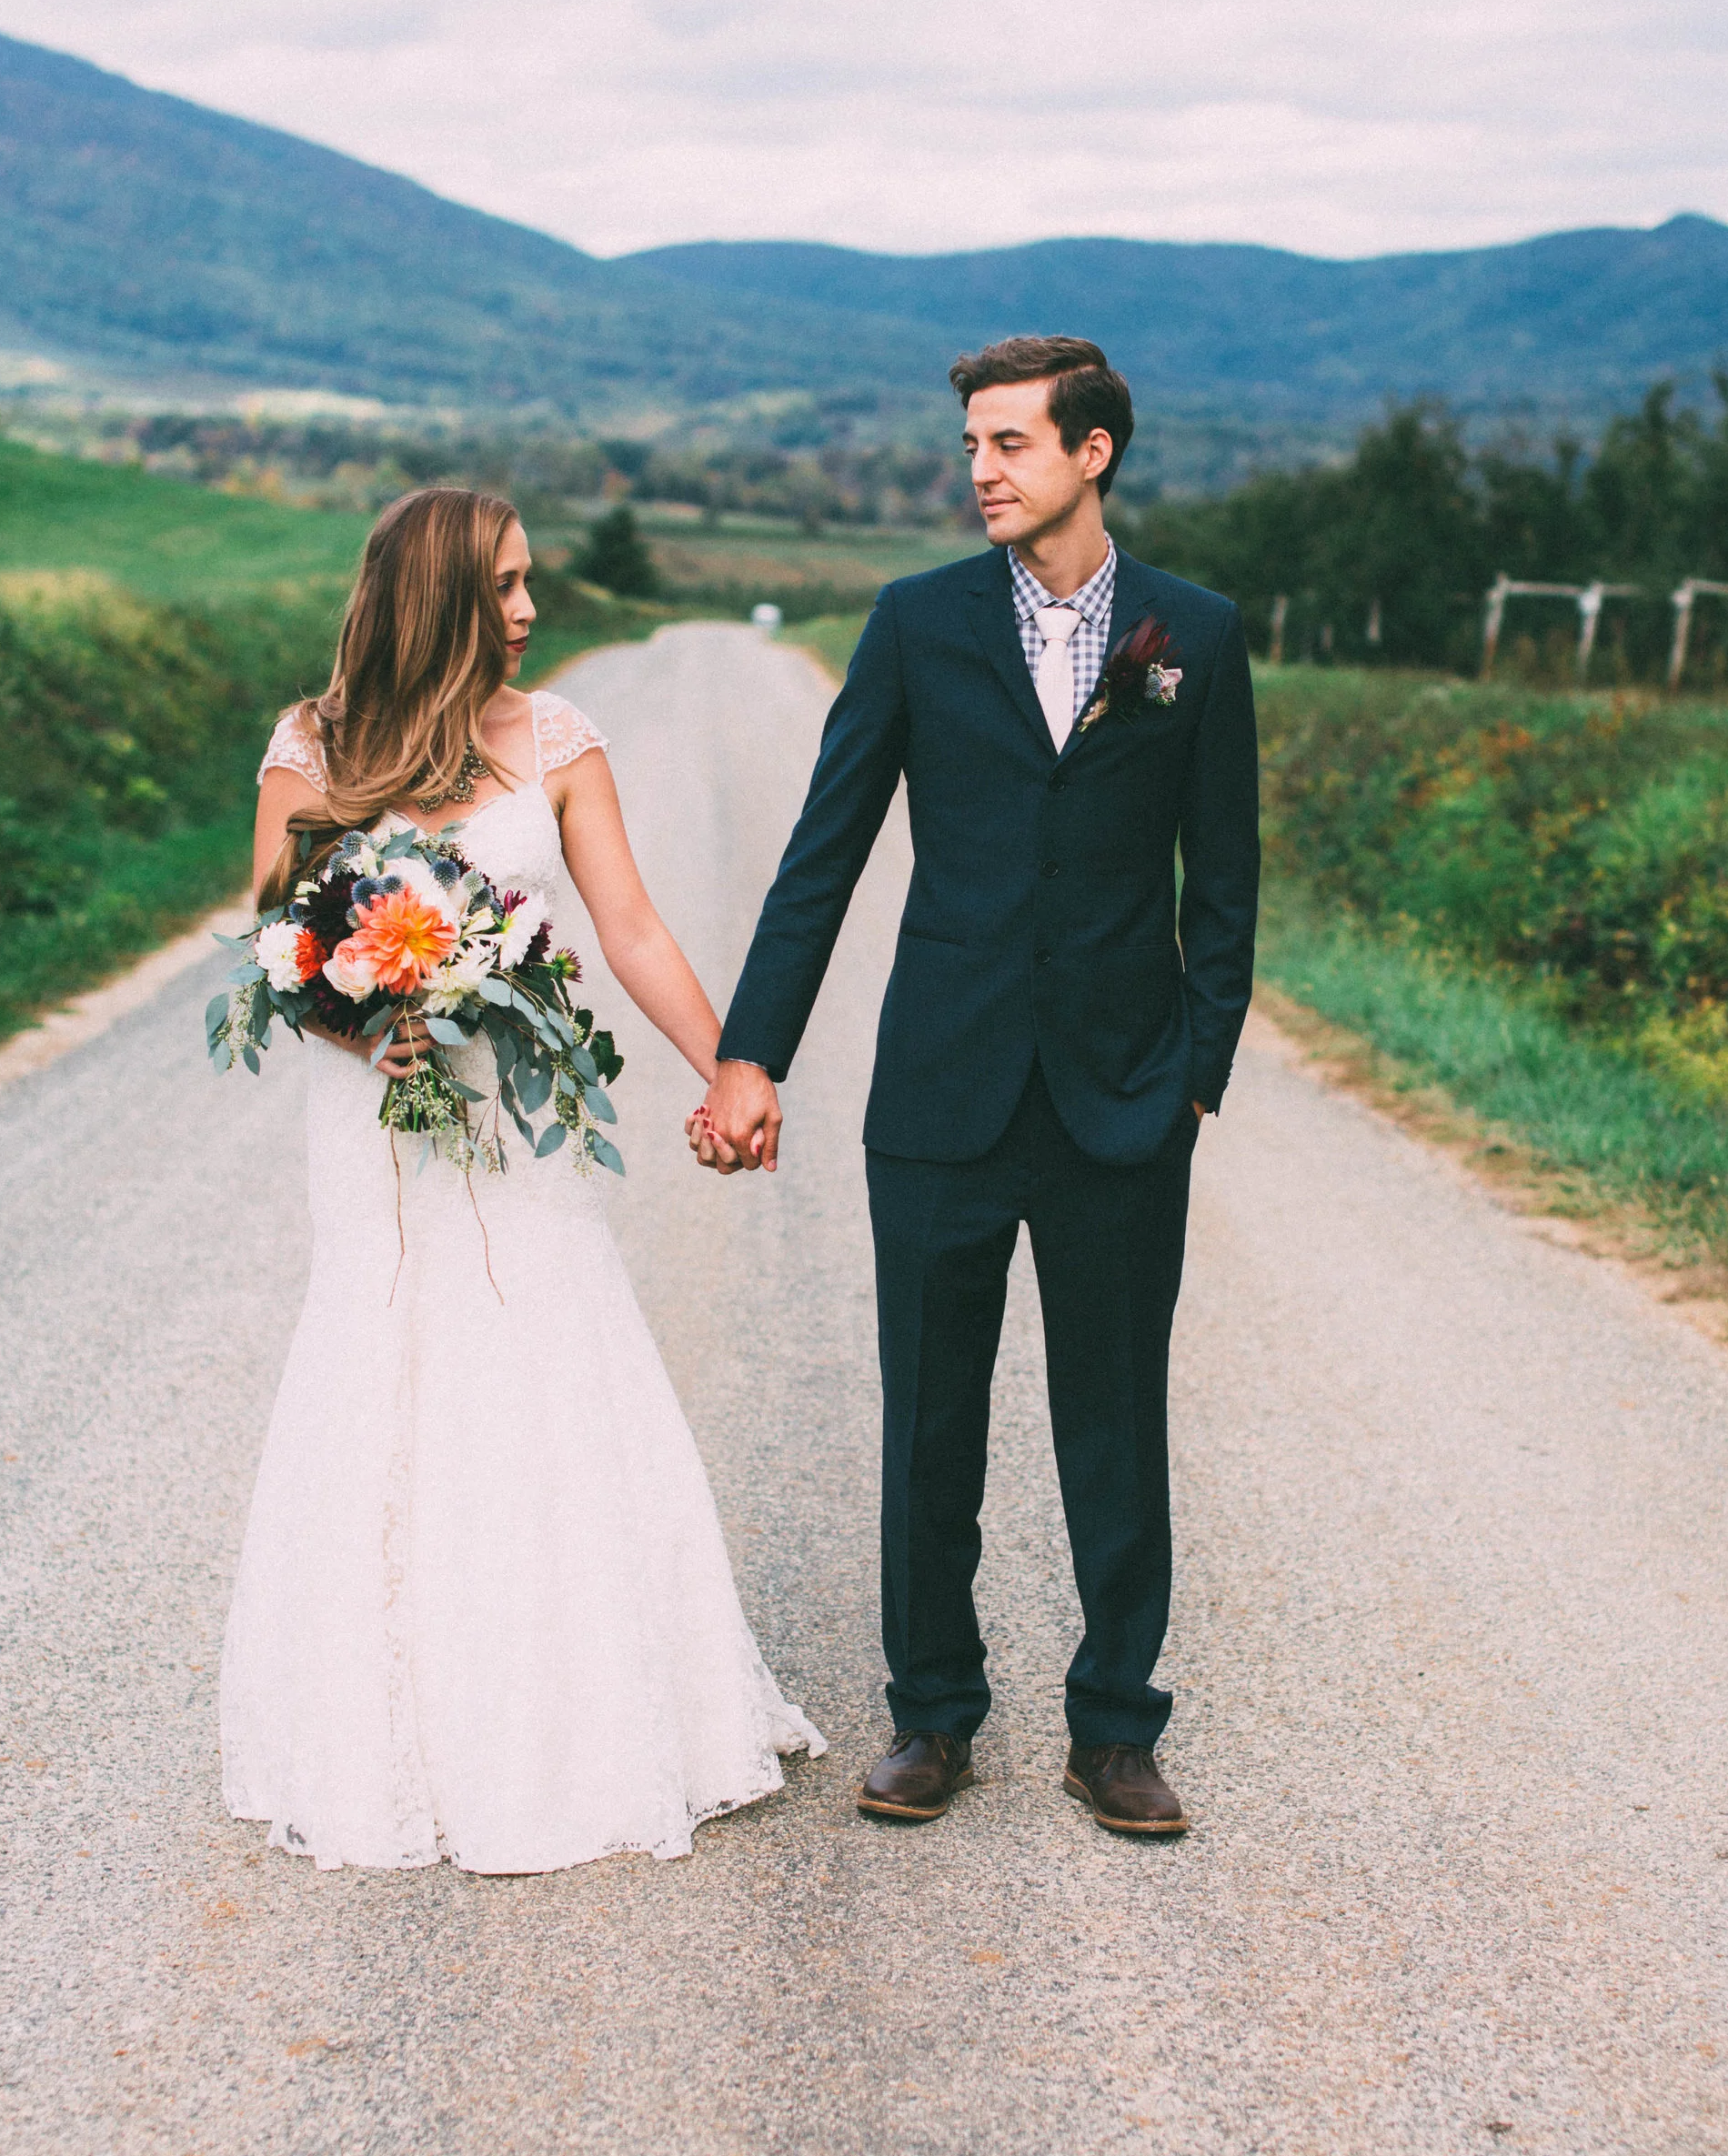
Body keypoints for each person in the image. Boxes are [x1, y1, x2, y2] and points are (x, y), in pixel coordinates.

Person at [693, 337, 1258, 1838]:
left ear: (1094, 454)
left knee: (1114, 1419)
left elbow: (1229, 878)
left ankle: (1118, 1729)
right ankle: (932, 1715)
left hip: (1123, 1101)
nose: (982, 472)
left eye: (1010, 444)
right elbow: (825, 854)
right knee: (931, 1417)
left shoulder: (1192, 634)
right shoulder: (914, 624)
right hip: (941, 1089)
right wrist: (753, 1049)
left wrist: (1196, 1073)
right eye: (971, 447)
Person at [219, 486, 820, 1873]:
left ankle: (570, 1710)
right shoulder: (310, 743)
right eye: (503, 585)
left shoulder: (558, 739)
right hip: (372, 1129)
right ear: (433, 595)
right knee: (383, 1362)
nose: (531, 608)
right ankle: (385, 1722)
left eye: (532, 581)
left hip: (510, 1129)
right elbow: (274, 928)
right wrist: (365, 1014)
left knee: (542, 1358)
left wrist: (732, 1066)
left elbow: (631, 927)